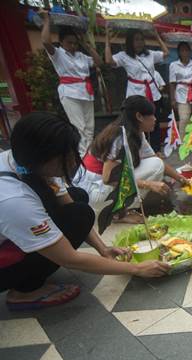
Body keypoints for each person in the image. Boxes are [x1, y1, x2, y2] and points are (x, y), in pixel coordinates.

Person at [0, 113, 170, 311]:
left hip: (14, 229)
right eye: (68, 157)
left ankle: (34, 265)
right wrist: (137, 268)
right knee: (78, 214)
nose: (74, 163)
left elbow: (71, 206)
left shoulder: (26, 161)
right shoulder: (14, 199)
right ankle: (23, 291)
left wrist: (103, 249)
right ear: (44, 157)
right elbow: (69, 258)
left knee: (78, 199)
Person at [79, 96, 188, 223]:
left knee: (156, 164)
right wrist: (148, 184)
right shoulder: (119, 137)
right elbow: (108, 178)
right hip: (94, 193)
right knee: (155, 166)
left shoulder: (136, 132)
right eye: (151, 115)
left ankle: (121, 208)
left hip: (101, 189)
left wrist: (182, 179)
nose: (155, 119)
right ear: (139, 117)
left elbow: (155, 160)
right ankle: (118, 214)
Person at [40, 9, 102, 157]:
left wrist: (87, 46)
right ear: (61, 42)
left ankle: (90, 155)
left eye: (75, 43)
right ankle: (83, 157)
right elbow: (45, 41)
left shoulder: (81, 56)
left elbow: (99, 62)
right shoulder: (58, 54)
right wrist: (46, 20)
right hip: (70, 93)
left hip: (86, 92)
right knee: (78, 127)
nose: (73, 46)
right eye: (69, 42)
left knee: (89, 127)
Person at [105, 27, 169, 153]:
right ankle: (137, 149)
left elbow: (166, 54)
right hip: (135, 93)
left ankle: (155, 150)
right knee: (135, 122)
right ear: (130, 42)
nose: (139, 42)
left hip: (152, 92)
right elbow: (108, 61)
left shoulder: (150, 54)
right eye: (136, 40)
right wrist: (107, 40)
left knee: (153, 121)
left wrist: (156, 36)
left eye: (141, 39)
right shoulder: (123, 56)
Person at [169, 41, 192, 135]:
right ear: (179, 52)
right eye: (182, 50)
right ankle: (183, 145)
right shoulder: (173, 65)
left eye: (187, 50)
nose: (185, 52)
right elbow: (172, 83)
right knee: (184, 119)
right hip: (181, 95)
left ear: (190, 51)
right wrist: (173, 100)